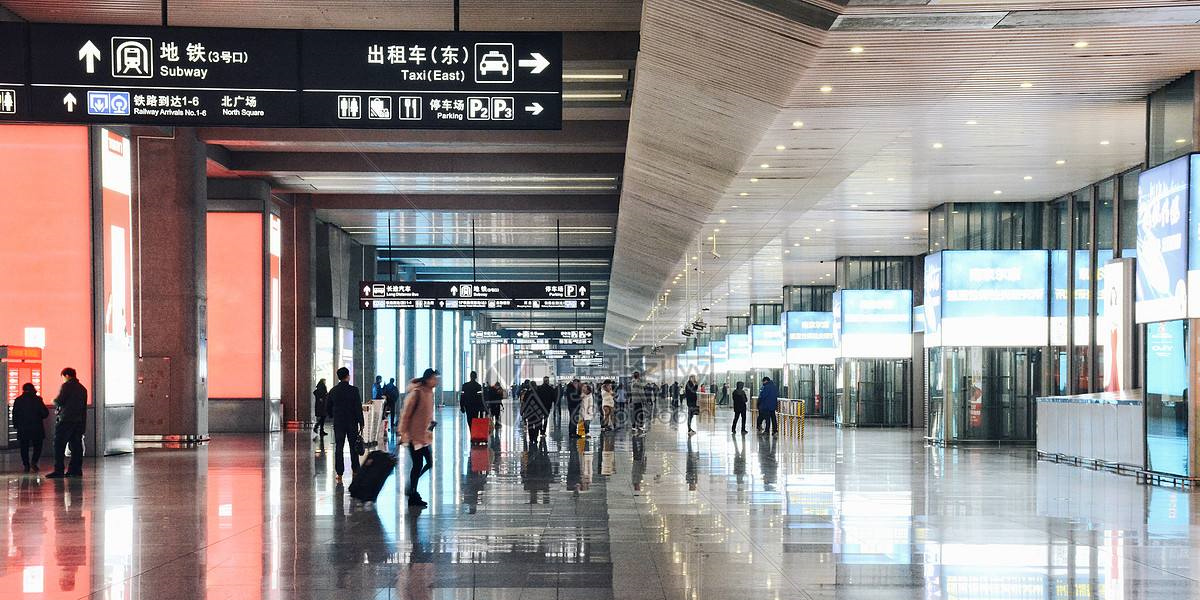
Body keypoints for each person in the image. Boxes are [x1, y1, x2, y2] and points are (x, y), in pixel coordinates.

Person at [399, 368, 439, 508]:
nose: (436, 381)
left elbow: (425, 413)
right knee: (417, 465)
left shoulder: (429, 393)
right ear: (428, 379)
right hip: (414, 437)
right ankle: (412, 493)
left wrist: (430, 423)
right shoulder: (417, 393)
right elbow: (406, 414)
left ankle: (411, 489)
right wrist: (402, 433)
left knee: (428, 463)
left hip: (424, 436)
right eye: (434, 378)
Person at [46, 368, 87, 479]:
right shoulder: (82, 388)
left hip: (65, 420)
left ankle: (59, 470)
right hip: (78, 421)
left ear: (67, 375)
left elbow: (60, 400)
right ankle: (75, 470)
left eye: (63, 377)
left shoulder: (67, 386)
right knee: (76, 446)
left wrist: (53, 401)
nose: (63, 379)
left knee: (59, 445)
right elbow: (83, 409)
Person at [326, 367, 364, 484]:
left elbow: (328, 407)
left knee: (339, 447)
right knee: (353, 447)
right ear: (348, 376)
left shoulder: (333, 391)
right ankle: (355, 470)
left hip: (339, 423)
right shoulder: (354, 390)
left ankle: (339, 473)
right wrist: (361, 422)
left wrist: (333, 415)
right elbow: (358, 407)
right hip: (352, 422)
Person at [12, 383, 49, 473]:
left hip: (23, 427)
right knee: (38, 446)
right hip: (36, 427)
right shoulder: (38, 399)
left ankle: (26, 465)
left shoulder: (18, 400)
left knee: (24, 447)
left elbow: (15, 414)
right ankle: (34, 462)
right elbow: (45, 413)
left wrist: (16, 425)